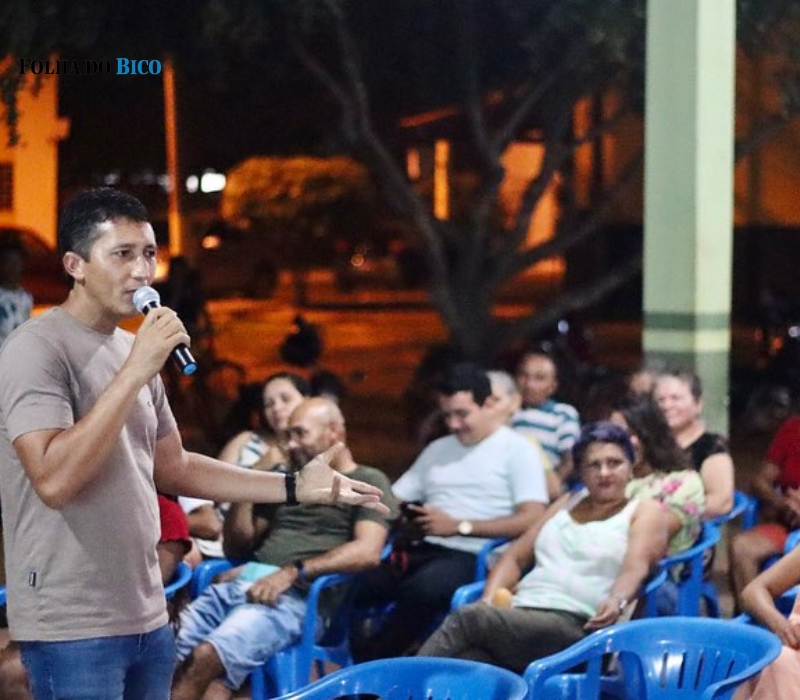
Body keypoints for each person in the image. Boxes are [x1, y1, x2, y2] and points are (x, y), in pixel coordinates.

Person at [0, 187, 387, 699]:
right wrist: (136, 371)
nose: (142, 272)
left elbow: (176, 467)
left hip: (146, 610)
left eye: (149, 254)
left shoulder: (132, 349)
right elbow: (53, 479)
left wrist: (293, 486)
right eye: (122, 254)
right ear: (76, 265)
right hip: (72, 619)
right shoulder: (35, 349)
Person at [171, 397, 397, 700]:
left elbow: (367, 552)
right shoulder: (294, 482)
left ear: (334, 431)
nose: (290, 444)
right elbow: (237, 546)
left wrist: (291, 573)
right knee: (164, 655)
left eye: (300, 433)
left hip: (297, 600)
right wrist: (251, 483)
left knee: (205, 658)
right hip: (244, 584)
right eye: (287, 436)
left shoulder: (367, 479)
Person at [417, 422, 668, 673]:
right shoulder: (567, 502)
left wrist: (617, 599)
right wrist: (488, 600)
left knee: (469, 618)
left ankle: (401, 685)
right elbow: (514, 557)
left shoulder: (644, 510)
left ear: (631, 466)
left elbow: (636, 567)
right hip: (523, 614)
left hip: (580, 627)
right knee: (473, 658)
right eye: (593, 465)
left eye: (614, 463)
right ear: (581, 472)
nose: (604, 472)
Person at [351, 362, 549, 661]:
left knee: (423, 591)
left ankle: (373, 665)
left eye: (462, 414)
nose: (454, 424)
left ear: (487, 404)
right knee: (354, 583)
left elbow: (533, 517)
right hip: (423, 546)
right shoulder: (438, 449)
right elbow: (395, 497)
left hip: (473, 553)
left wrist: (460, 526)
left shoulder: (518, 450)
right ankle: (362, 659)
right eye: (447, 415)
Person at [0, 494, 193, 700]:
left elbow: (145, 592)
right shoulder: (63, 508)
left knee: (14, 672)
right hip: (50, 619)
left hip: (118, 629)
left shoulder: (165, 514)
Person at [607, 394, 705, 555]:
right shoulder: (607, 477)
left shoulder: (684, 482)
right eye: (613, 435)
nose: (620, 443)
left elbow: (647, 538)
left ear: (650, 433)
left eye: (629, 434)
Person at [729, 415, 800, 610]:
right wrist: (782, 503)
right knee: (742, 547)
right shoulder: (793, 428)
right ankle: (750, 619)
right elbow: (760, 480)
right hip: (788, 524)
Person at [654, 368, 734, 518]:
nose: (666, 406)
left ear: (698, 404)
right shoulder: (650, 443)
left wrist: (671, 514)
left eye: (676, 398)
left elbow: (722, 502)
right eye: (660, 400)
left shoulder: (710, 447)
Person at [734, 542, 800, 700]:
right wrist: (780, 625)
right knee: (776, 659)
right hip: (791, 654)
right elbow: (754, 591)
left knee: (780, 662)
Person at [488, 369, 561, 501]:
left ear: (515, 402)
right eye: (480, 402)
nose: (487, 409)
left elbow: (553, 490)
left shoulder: (526, 444)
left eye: (495, 400)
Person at [512, 349, 581, 485]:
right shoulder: (505, 410)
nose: (529, 384)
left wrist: (550, 489)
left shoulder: (563, 414)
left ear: (552, 386)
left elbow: (570, 460)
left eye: (539, 378)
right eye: (524, 375)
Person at [217, 372, 311, 469]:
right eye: (269, 404)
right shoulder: (245, 440)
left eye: (286, 399)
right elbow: (217, 478)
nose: (276, 408)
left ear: (307, 400)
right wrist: (260, 466)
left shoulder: (318, 445)